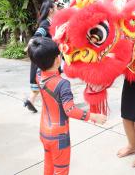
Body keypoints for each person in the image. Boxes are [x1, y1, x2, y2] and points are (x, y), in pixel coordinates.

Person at [27, 37, 107, 174]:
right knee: (61, 170)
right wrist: (94, 116)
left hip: (44, 131)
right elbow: (70, 110)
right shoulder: (62, 84)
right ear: (58, 59)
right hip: (59, 136)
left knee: (48, 165)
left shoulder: (38, 74)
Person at [24, 0, 57, 113]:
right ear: (51, 10)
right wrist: (30, 44)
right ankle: (53, 105)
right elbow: (37, 35)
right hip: (45, 58)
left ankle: (30, 101)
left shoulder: (50, 22)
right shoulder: (45, 24)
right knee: (50, 81)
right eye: (56, 8)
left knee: (40, 83)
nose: (57, 10)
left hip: (44, 57)